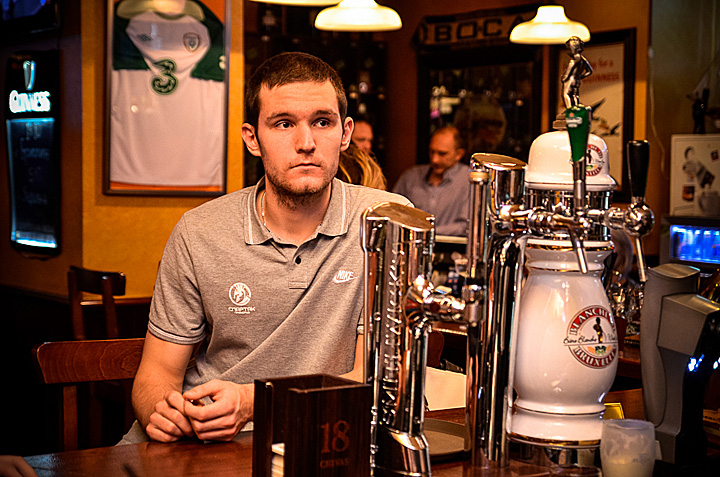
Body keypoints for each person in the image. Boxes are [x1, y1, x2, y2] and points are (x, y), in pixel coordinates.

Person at [120, 52, 410, 444]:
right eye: (283, 124)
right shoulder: (199, 231)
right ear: (252, 139)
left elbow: (379, 380)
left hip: (321, 437)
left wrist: (254, 403)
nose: (306, 143)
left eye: (322, 122)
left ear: (345, 134)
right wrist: (162, 413)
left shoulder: (386, 221)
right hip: (202, 443)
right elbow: (157, 375)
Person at [393, 126, 469, 236]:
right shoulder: (411, 176)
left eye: (442, 154)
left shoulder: (469, 180)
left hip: (450, 246)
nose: (434, 159)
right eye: (432, 152)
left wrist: (426, 233)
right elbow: (393, 214)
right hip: (410, 244)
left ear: (459, 154)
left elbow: (466, 226)